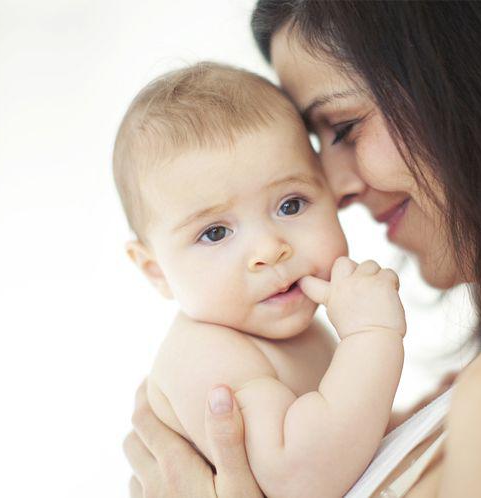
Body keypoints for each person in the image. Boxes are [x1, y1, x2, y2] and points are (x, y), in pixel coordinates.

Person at [123, 1, 481, 497]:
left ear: (478, 86)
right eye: (214, 232)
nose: (334, 186)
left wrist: (373, 339)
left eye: (344, 128)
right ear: (152, 267)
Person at [114, 62, 412, 498]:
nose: (270, 250)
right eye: (215, 233)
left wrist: (411, 423)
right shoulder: (207, 356)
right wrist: (372, 337)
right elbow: (302, 475)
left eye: (291, 205)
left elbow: (352, 452)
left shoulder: (293, 331)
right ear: (155, 270)